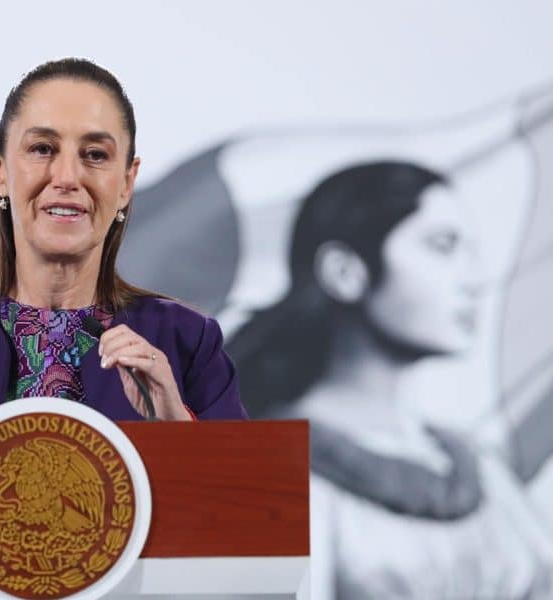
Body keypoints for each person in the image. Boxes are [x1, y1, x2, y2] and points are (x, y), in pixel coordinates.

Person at [0, 58, 245, 425]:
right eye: (42, 149)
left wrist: (177, 424)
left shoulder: (187, 340)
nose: (67, 177)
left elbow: (247, 492)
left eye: (95, 154)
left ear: (126, 182)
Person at [228, 161, 553, 598]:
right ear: (345, 271)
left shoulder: (481, 473)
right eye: (442, 246)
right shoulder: (258, 472)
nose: (474, 280)